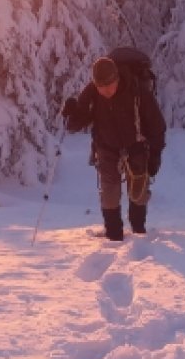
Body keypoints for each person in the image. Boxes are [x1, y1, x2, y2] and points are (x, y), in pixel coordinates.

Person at [62, 55, 166, 240]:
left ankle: (139, 231)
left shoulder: (137, 91)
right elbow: (77, 123)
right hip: (106, 147)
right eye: (101, 87)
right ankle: (113, 235)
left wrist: (155, 155)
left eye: (109, 86)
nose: (105, 91)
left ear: (117, 78)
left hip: (137, 146)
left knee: (138, 192)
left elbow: (156, 126)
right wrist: (71, 113)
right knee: (109, 193)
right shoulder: (93, 92)